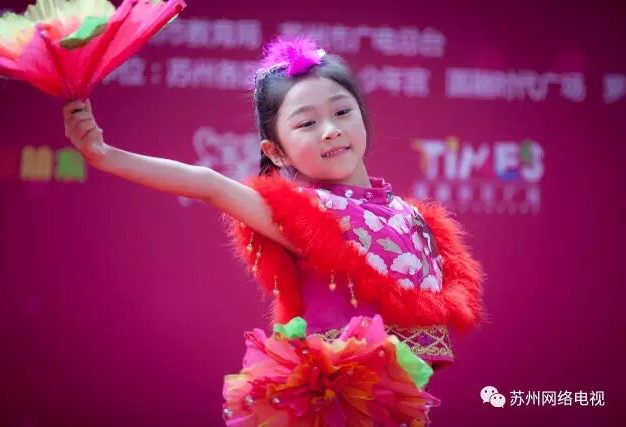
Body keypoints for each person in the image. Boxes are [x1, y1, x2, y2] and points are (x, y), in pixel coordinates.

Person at [63, 36, 485, 426]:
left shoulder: (409, 215)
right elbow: (209, 185)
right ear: (276, 152)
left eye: (342, 111)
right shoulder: (306, 216)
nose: (331, 130)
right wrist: (104, 155)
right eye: (307, 123)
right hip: (331, 406)